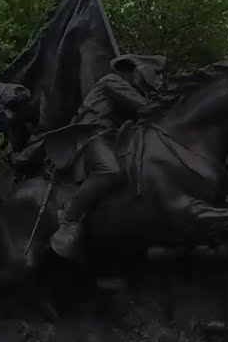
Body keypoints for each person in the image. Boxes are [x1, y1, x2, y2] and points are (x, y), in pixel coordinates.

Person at [44, 54, 167, 261]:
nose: (158, 81)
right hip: (94, 134)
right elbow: (144, 108)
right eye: (155, 76)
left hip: (117, 137)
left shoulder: (128, 88)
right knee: (110, 170)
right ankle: (69, 217)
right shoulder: (112, 81)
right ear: (139, 72)